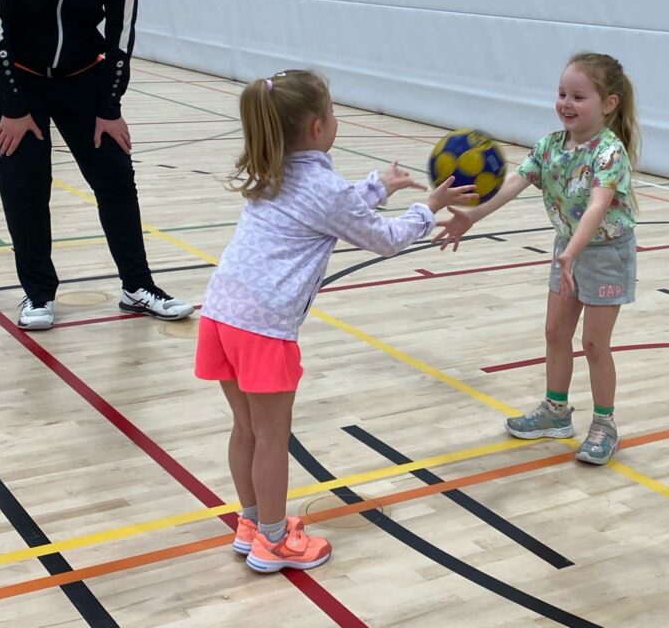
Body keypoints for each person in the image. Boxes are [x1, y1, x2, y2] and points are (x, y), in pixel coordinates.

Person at [195, 69, 476, 572]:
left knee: (246, 430)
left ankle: (253, 523)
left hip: (220, 315)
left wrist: (377, 186)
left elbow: (331, 209)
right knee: (272, 438)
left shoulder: (269, 167)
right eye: (331, 111)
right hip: (263, 329)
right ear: (318, 127)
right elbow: (383, 238)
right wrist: (426, 207)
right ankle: (274, 542)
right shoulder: (322, 187)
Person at [0, 0, 192, 330]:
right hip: (14, 73)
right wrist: (14, 107)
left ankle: (138, 287)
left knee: (115, 177)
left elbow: (121, 32)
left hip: (82, 74)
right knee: (27, 184)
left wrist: (110, 107)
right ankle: (38, 293)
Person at [434, 52, 640, 465]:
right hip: (567, 251)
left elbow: (598, 205)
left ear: (609, 104)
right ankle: (556, 411)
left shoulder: (609, 152)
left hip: (605, 254)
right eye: (562, 93)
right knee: (555, 332)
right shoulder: (550, 146)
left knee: (594, 343)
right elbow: (513, 183)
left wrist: (572, 252)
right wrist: (472, 216)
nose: (566, 103)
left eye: (578, 96)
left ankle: (605, 425)